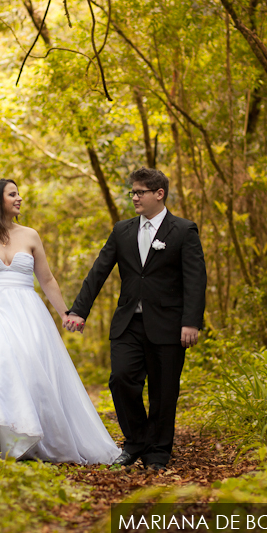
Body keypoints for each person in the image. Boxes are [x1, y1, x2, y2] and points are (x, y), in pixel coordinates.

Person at [0, 179, 121, 464]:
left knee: (28, 376)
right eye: (12, 194)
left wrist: (65, 313)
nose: (19, 198)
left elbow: (47, 279)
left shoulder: (30, 235)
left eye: (18, 193)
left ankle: (23, 441)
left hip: (27, 313)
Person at [64, 168, 206, 470]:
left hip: (168, 325)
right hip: (129, 323)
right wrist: (78, 310)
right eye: (133, 192)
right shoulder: (123, 230)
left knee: (163, 390)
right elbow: (99, 271)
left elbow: (195, 280)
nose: (134, 197)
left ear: (159, 194)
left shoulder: (183, 231)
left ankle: (158, 453)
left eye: (140, 192)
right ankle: (136, 440)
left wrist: (191, 321)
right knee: (121, 380)